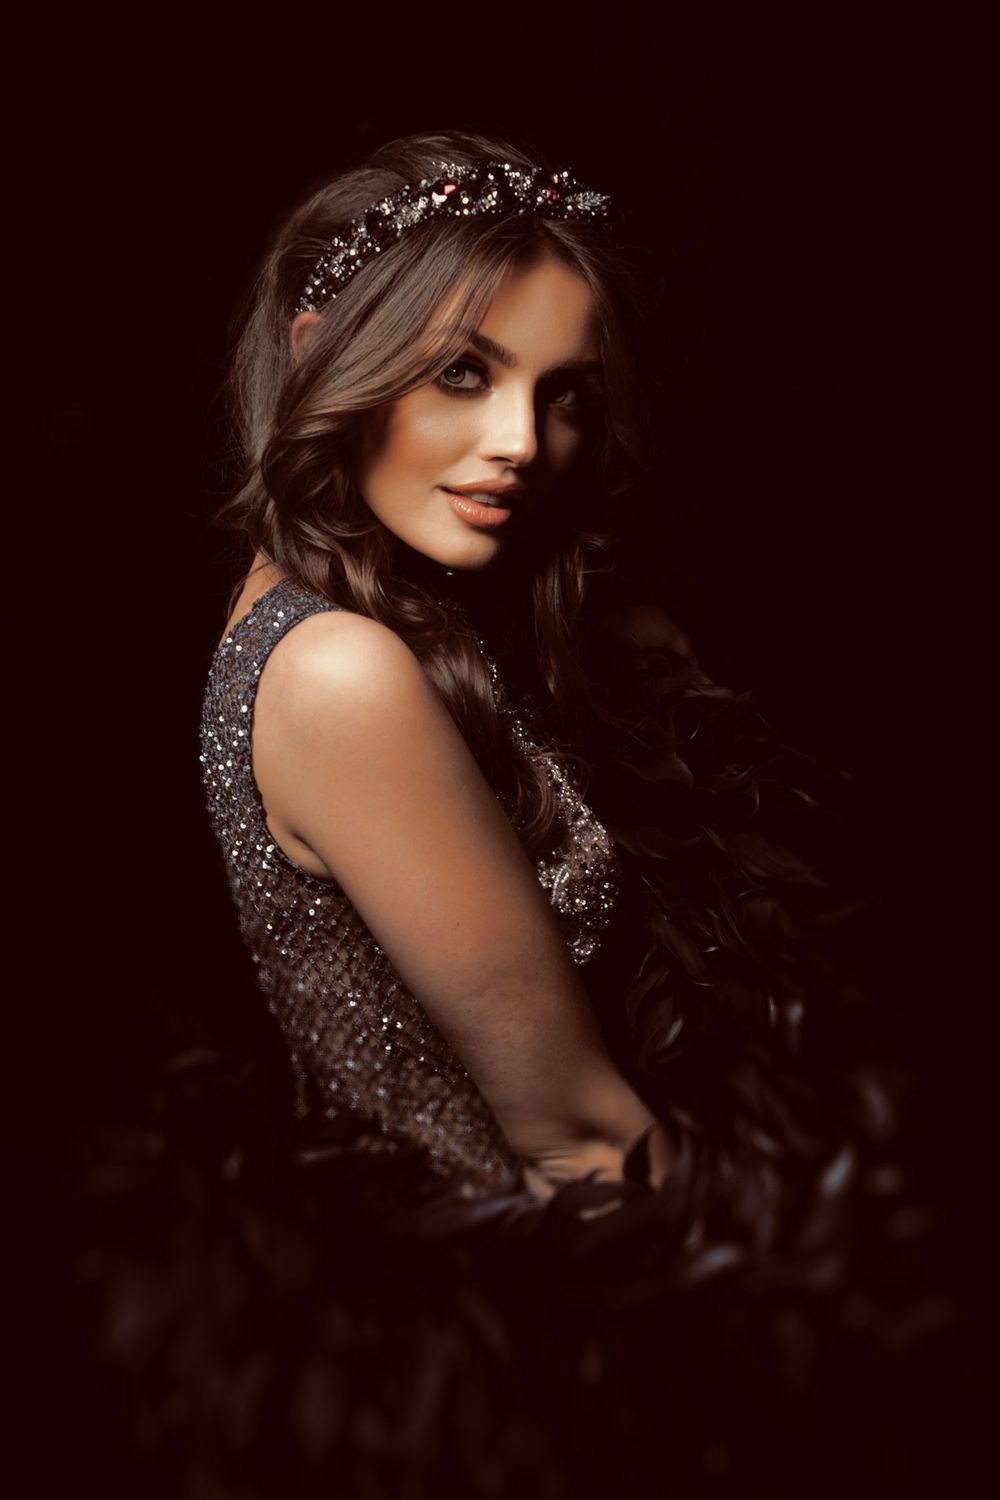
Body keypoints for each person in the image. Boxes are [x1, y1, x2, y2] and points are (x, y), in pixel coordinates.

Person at [70, 129, 951, 1500]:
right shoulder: (341, 673)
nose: (523, 444)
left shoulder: (427, 622)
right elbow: (574, 1138)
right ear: (323, 356)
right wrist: (824, 1383)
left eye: (566, 392)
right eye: (463, 374)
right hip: (534, 1363)